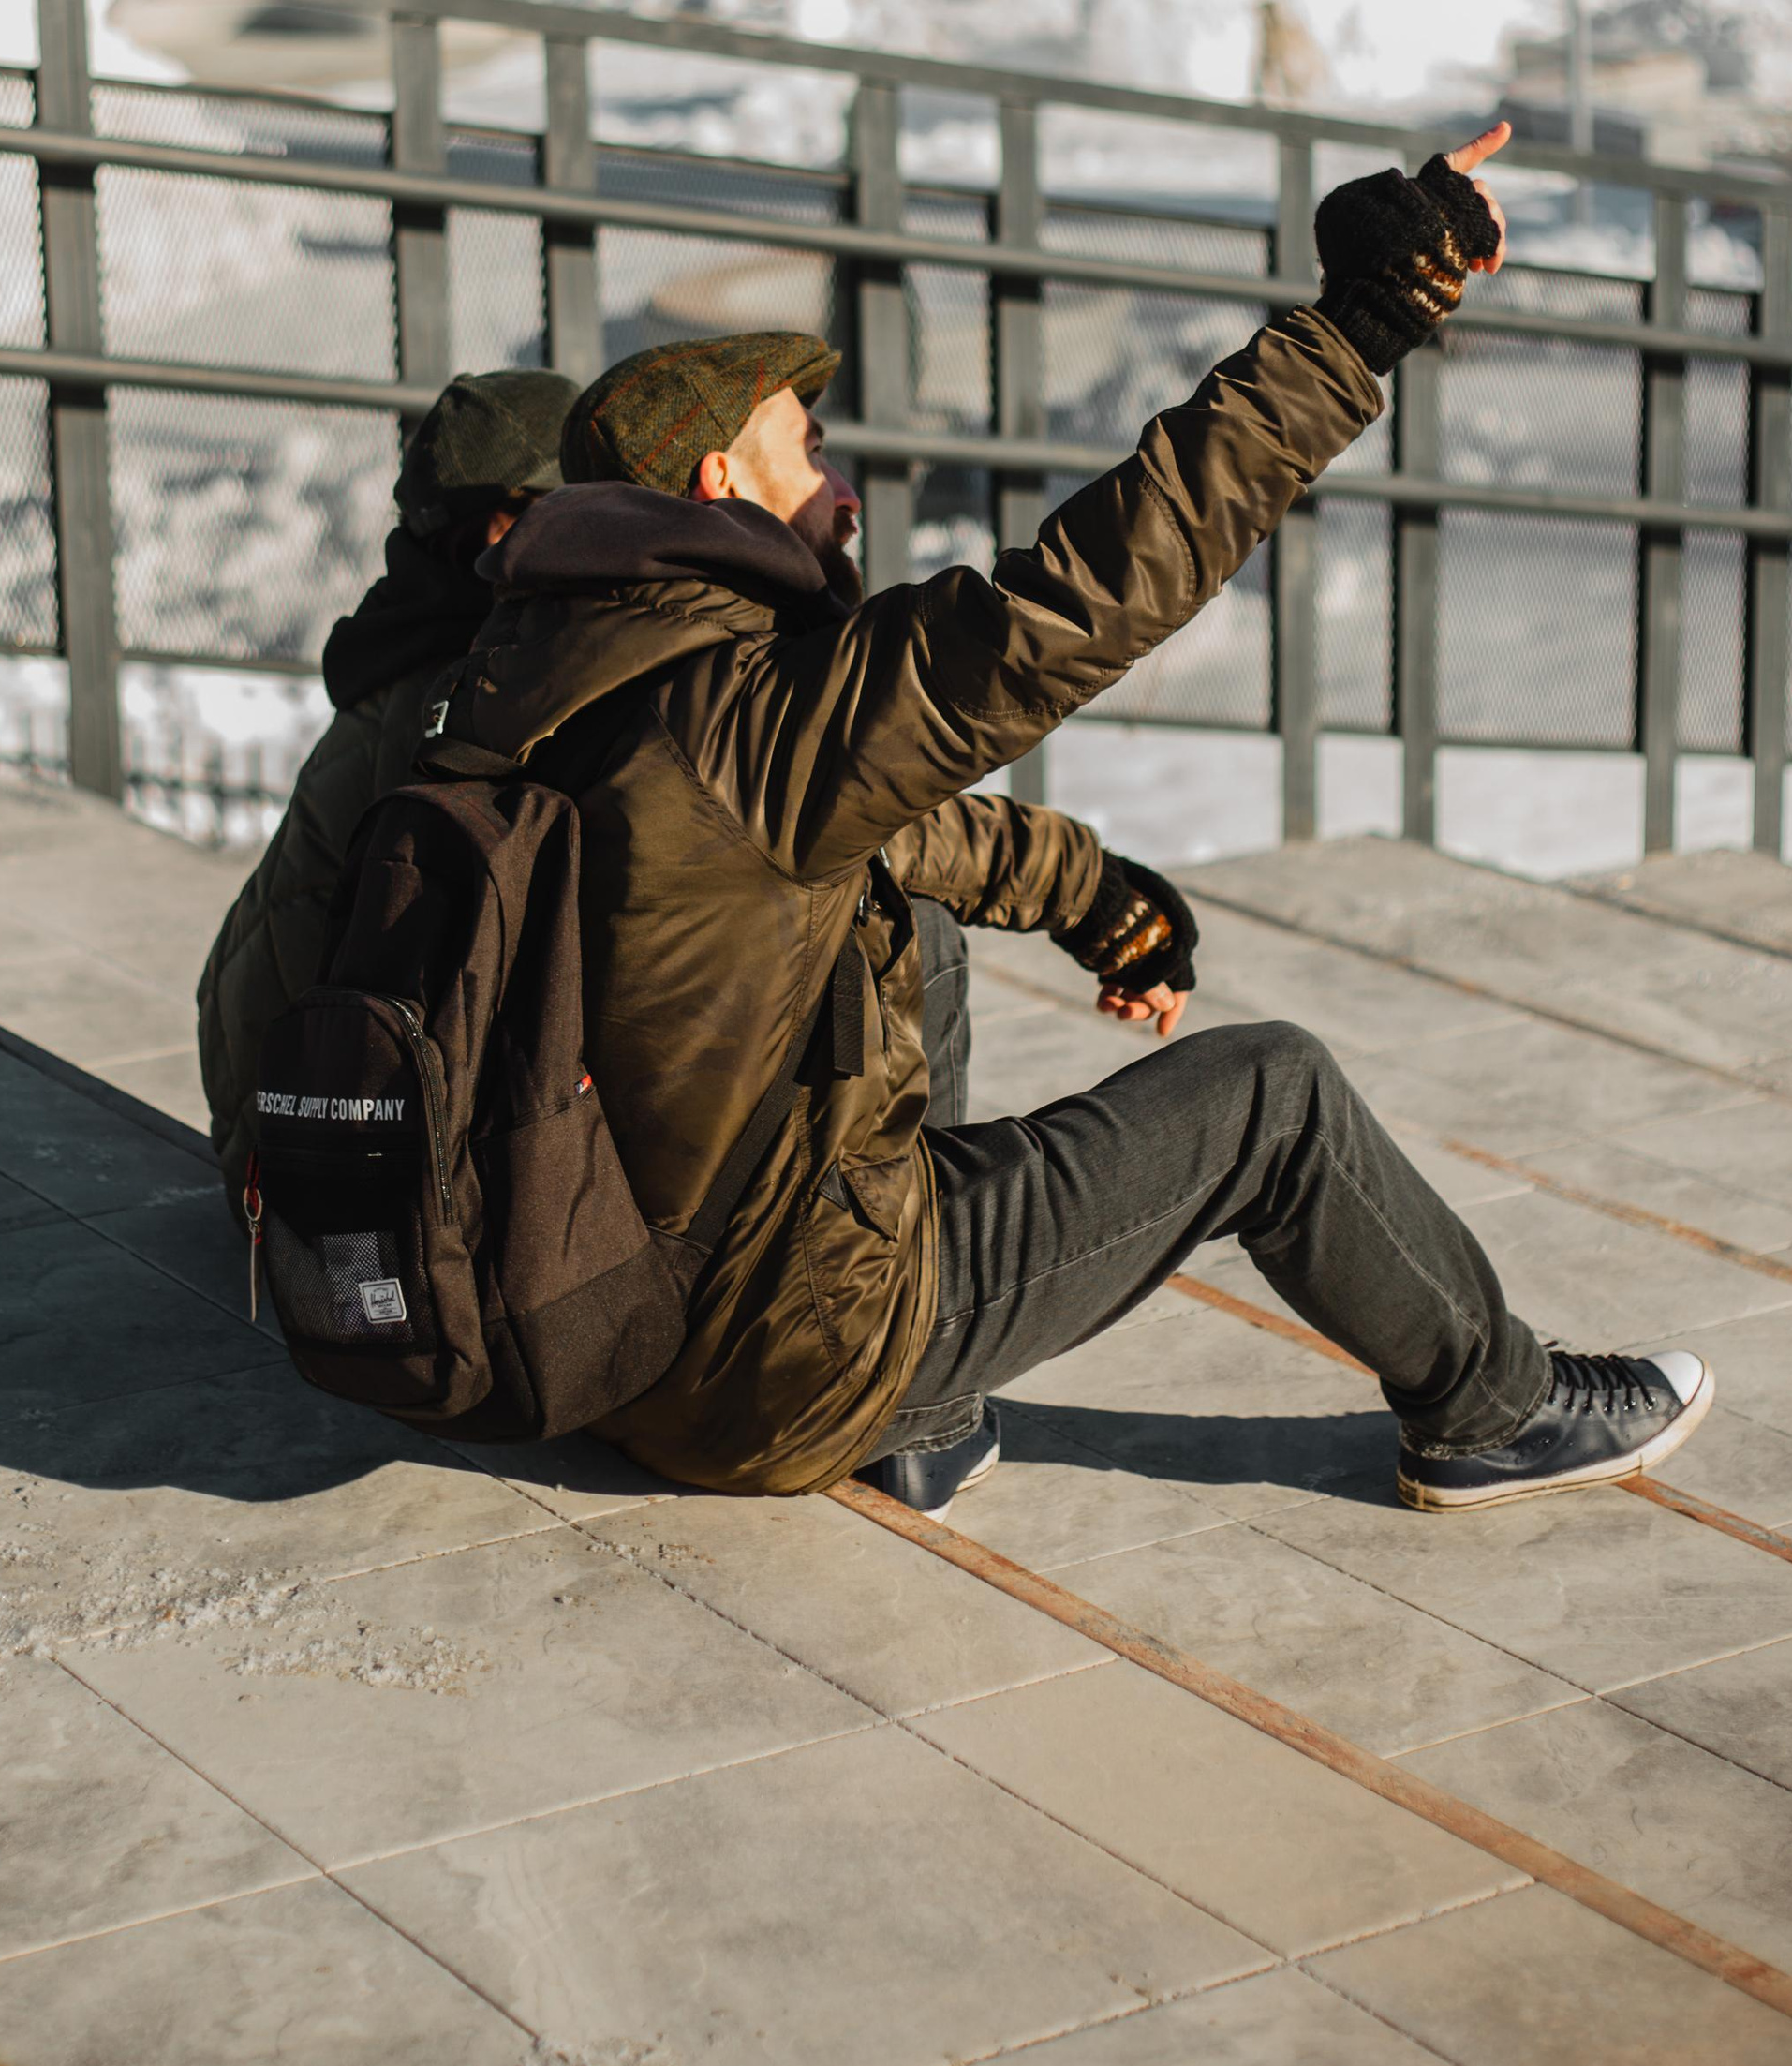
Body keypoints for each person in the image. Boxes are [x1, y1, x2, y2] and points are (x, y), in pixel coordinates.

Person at [429, 128, 1715, 1514]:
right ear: (718, 488)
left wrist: (1091, 890)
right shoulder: (756, 715)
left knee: (911, 919)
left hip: (609, 1336)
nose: (843, 491)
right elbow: (1079, 601)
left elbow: (896, 838)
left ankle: (915, 1409)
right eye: (806, 452)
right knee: (1272, 1097)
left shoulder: (547, 686)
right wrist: (1357, 328)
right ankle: (1495, 1411)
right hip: (774, 1362)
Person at [197, 366, 577, 1197]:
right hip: (313, 1151)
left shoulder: (412, 636)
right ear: (495, 529)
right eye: (572, 506)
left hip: (282, 1093)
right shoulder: (453, 696)